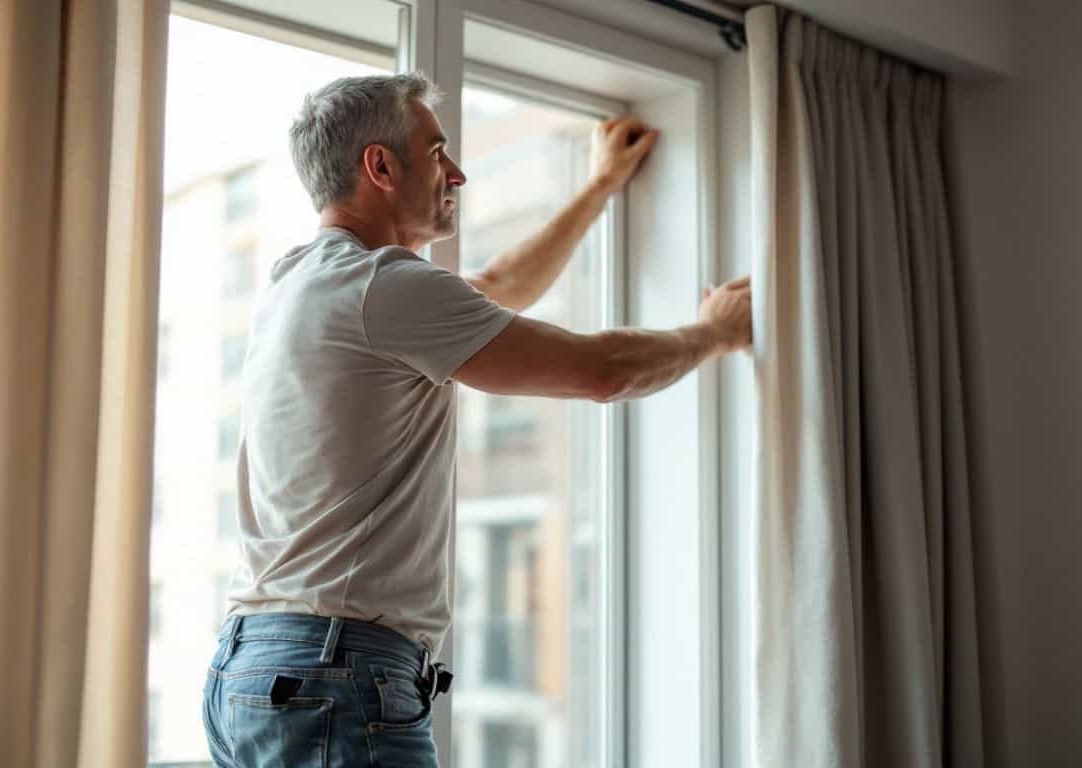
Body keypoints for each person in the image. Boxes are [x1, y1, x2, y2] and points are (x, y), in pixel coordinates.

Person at [201, 72, 751, 767]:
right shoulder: (382, 286)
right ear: (380, 166)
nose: (456, 173)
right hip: (333, 675)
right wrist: (715, 332)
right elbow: (601, 371)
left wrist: (598, 189)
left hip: (251, 669)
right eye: (437, 152)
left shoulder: (301, 281)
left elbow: (494, 292)